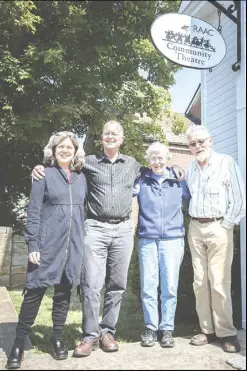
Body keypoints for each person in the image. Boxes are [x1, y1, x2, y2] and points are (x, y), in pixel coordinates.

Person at [31, 120, 185, 357]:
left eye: (115, 134)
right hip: (95, 228)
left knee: (117, 285)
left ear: (122, 139)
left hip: (123, 229)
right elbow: (63, 168)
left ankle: (108, 331)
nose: (111, 137)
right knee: (91, 283)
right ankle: (90, 335)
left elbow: (157, 170)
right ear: (102, 138)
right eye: (107, 134)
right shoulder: (89, 163)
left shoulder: (133, 165)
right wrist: (40, 168)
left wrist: (175, 169)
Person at [6, 132, 87, 369]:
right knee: (34, 293)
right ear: (52, 150)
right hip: (47, 245)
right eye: (60, 147)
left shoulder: (82, 177)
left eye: (69, 147)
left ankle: (57, 337)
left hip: (72, 246)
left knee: (63, 294)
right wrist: (33, 245)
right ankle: (18, 343)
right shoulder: (43, 174)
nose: (65, 150)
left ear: (75, 151)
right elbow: (33, 212)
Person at [185, 125, 245, 353]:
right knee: (200, 282)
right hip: (195, 227)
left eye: (201, 141)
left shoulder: (225, 163)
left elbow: (239, 199)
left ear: (210, 140)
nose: (197, 146)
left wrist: (225, 225)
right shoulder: (190, 167)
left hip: (218, 226)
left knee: (219, 282)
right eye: (192, 143)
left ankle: (227, 333)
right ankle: (207, 330)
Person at [133, 142, 190, 348]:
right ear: (148, 161)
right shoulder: (142, 180)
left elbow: (192, 200)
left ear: (168, 159)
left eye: (161, 157)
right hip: (148, 239)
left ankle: (167, 329)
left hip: (173, 240)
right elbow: (123, 191)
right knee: (148, 286)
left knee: (170, 287)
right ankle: (151, 328)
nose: (157, 161)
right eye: (153, 157)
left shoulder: (179, 180)